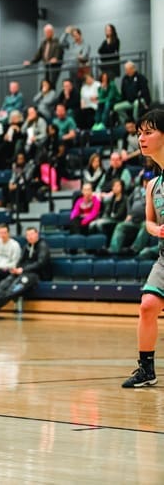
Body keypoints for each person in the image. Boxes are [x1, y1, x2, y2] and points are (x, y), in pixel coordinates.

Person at [121, 109, 164, 388]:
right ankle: (146, 369)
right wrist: (156, 229)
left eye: (149, 132)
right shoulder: (152, 185)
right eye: (139, 133)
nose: (141, 138)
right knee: (148, 305)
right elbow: (149, 221)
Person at [0, 227, 51, 313]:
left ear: (37, 234)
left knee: (14, 288)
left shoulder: (43, 246)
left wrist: (23, 269)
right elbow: (21, 260)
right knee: (5, 283)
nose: (30, 237)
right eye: (28, 235)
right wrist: (16, 268)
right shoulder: (27, 246)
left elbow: (41, 263)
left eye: (32, 234)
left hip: (36, 274)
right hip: (23, 272)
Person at [24, 24, 63, 88]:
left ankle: (51, 96)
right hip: (46, 66)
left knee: (52, 85)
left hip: (54, 67)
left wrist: (56, 58)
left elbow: (58, 52)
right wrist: (31, 62)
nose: (46, 34)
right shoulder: (44, 42)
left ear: (52, 32)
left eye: (48, 32)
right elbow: (38, 55)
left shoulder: (57, 42)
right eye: (45, 32)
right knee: (45, 84)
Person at [89, 179, 127, 243]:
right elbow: (107, 210)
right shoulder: (111, 198)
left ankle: (105, 243)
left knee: (99, 224)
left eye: (117, 186)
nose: (115, 188)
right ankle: (93, 243)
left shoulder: (125, 198)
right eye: (114, 186)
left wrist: (110, 216)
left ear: (122, 187)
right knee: (92, 224)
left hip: (118, 220)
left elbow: (120, 214)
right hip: (108, 218)